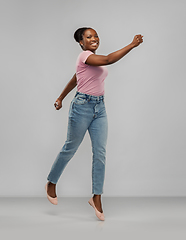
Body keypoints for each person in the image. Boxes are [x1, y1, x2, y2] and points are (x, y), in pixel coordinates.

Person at [45, 27, 143, 221]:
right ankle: (51, 182)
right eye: (89, 37)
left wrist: (60, 96)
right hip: (82, 107)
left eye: (96, 35)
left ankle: (96, 197)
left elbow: (76, 78)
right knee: (70, 148)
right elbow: (108, 60)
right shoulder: (84, 56)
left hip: (100, 108)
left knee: (100, 152)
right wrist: (132, 45)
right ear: (81, 42)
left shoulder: (92, 62)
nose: (94, 38)